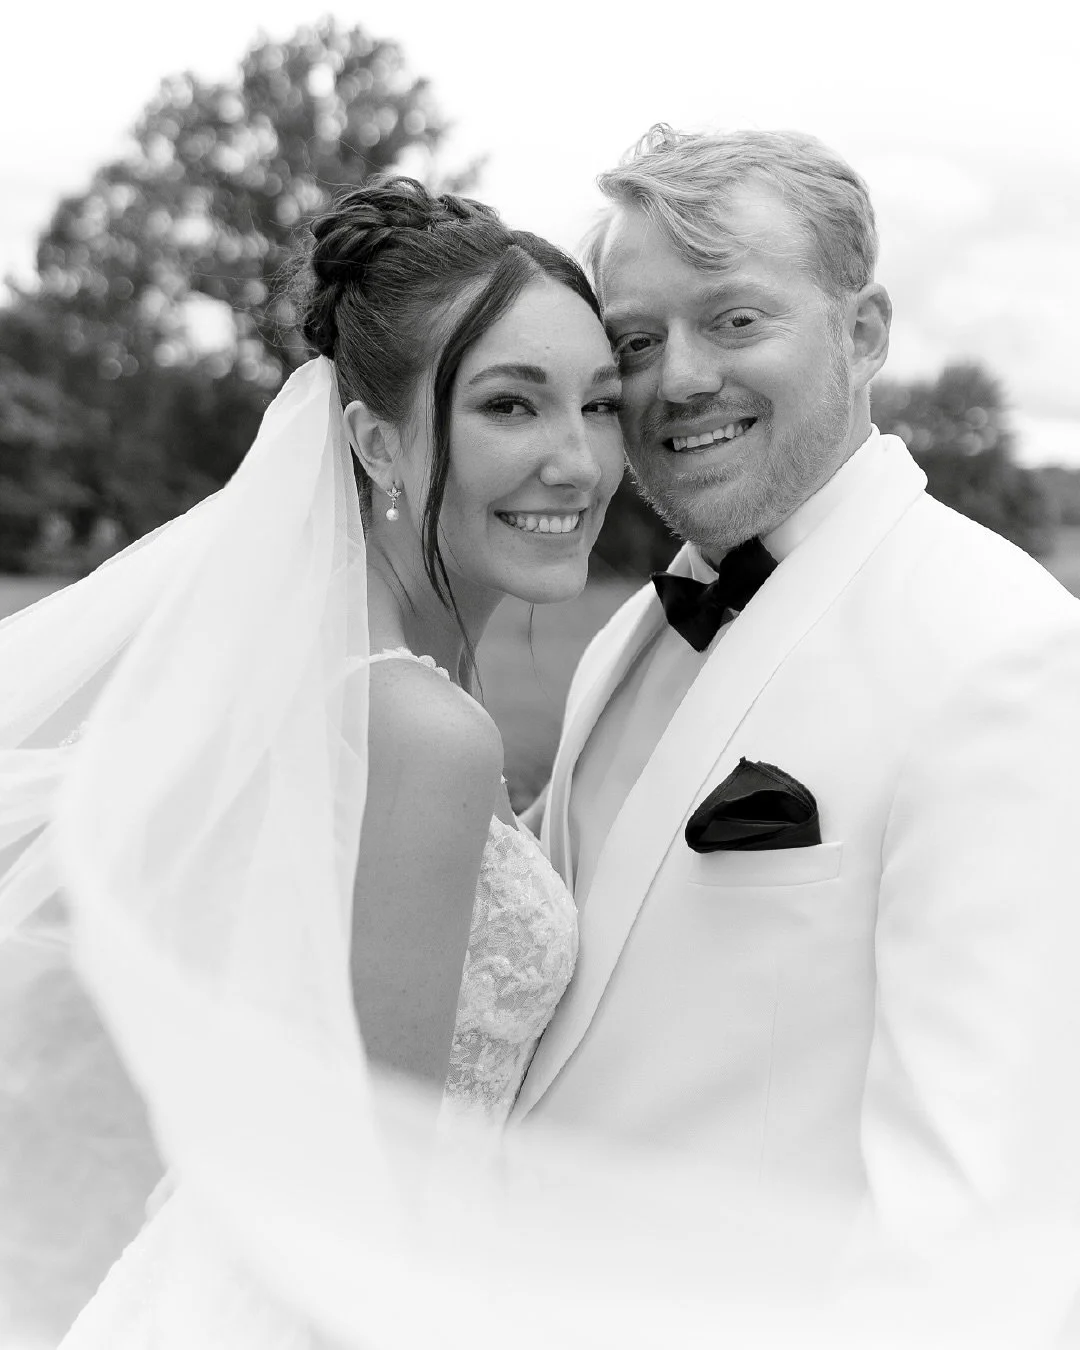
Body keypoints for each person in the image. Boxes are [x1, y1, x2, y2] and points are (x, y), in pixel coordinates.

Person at [0, 177, 624, 1346]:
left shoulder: (351, 694)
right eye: (512, 406)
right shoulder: (426, 734)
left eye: (600, 405)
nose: (579, 461)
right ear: (374, 442)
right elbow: (367, 1215)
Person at [512, 125, 1080, 1239]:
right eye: (634, 339)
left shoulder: (1005, 652)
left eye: (735, 319)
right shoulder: (624, 632)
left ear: (862, 333)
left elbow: (966, 1220)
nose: (676, 379)